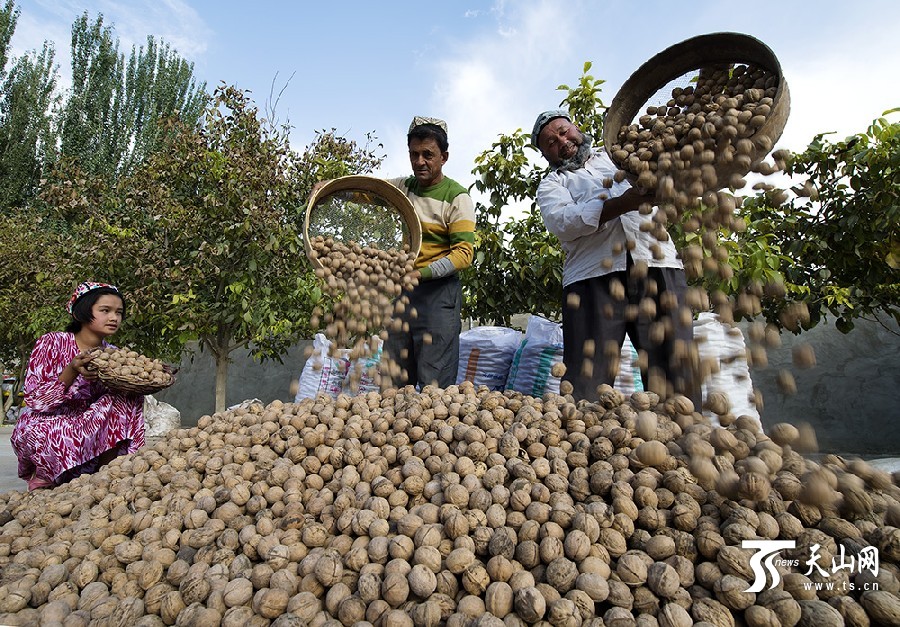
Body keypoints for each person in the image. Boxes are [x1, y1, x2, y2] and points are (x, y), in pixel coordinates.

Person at [531, 109, 699, 404]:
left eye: (562, 130)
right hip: (593, 276)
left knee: (674, 365)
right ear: (547, 156)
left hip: (656, 262)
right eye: (550, 142)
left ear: (577, 127)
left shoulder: (617, 155)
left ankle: (682, 438)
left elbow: (664, 166)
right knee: (587, 380)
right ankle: (584, 440)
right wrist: (623, 203)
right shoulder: (552, 185)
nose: (561, 141)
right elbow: (565, 223)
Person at [11, 281, 145, 490]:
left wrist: (146, 376)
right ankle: (47, 474)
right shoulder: (52, 343)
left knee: (126, 399)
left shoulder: (115, 354)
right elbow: (34, 399)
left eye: (118, 312)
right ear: (80, 313)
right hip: (49, 420)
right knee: (46, 430)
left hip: (90, 426)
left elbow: (119, 407)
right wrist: (71, 370)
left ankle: (107, 473)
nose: (114, 318)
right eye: (105, 310)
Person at [383, 116, 476, 389]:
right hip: (403, 292)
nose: (419, 161)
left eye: (428, 155)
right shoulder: (405, 188)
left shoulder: (456, 197)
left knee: (435, 379)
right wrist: (331, 186)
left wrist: (421, 273)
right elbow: (368, 190)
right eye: (414, 154)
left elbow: (463, 254)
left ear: (444, 157)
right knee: (394, 376)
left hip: (438, 293)